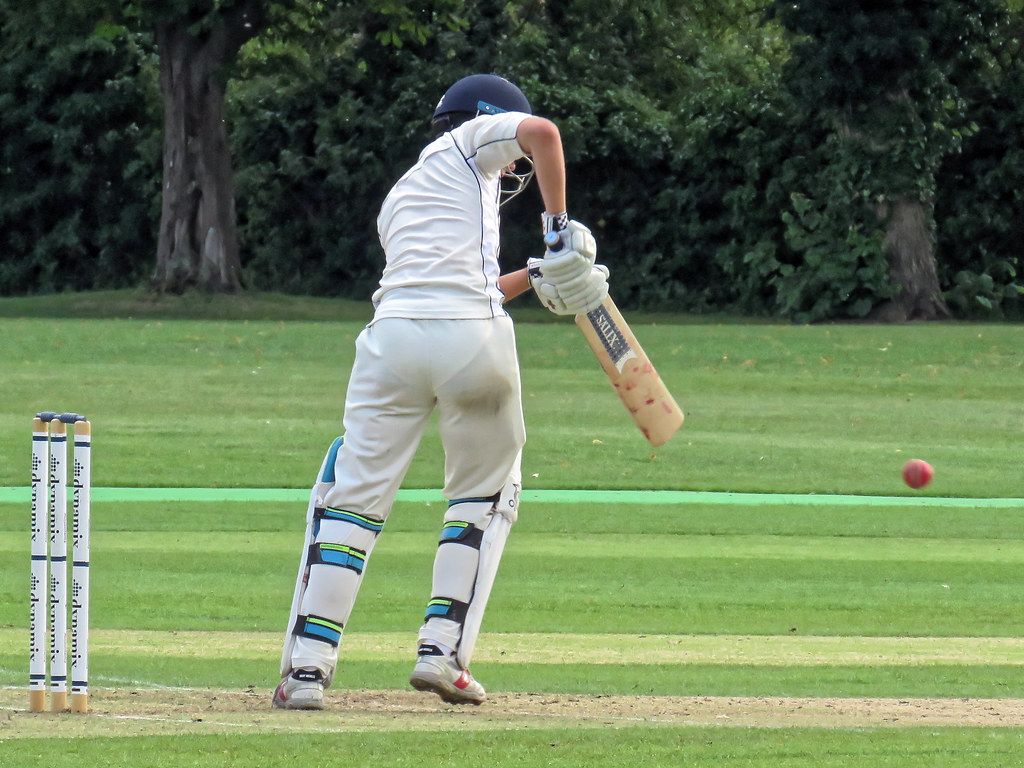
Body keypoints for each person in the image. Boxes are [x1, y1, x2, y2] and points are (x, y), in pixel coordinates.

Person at [273, 73, 609, 710]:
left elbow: (453, 281)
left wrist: (537, 274)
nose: (513, 170)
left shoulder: (403, 195)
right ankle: (441, 651)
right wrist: (559, 230)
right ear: (484, 121)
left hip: (391, 342)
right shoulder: (471, 141)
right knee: (484, 495)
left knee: (352, 500)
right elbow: (544, 134)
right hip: (473, 345)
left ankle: (308, 670)